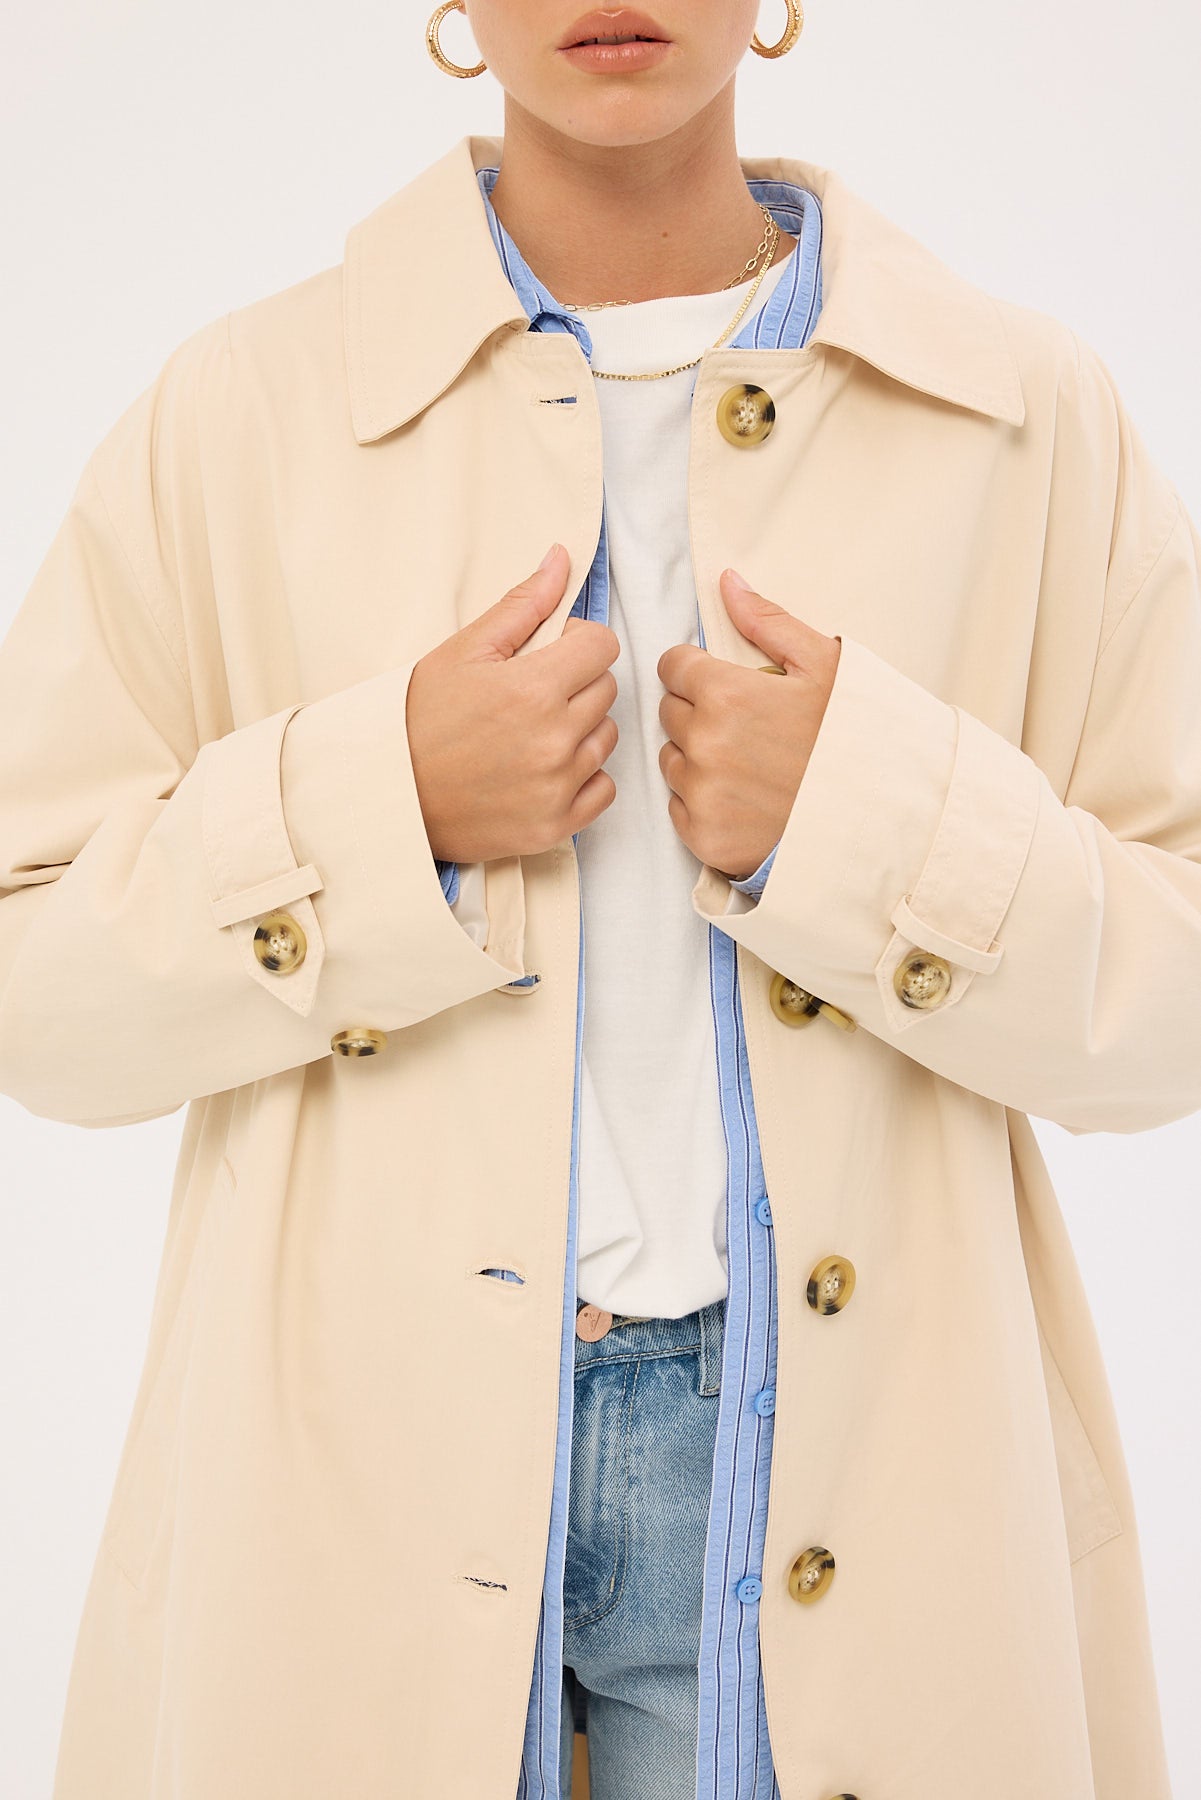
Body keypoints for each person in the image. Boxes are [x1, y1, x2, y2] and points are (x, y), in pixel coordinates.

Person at [1, 3, 1195, 1798]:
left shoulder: (1022, 420)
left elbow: (1172, 1009)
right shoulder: (240, 417)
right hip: (342, 1466)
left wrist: (863, 827)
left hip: (855, 1471)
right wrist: (381, 803)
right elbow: (35, 987)